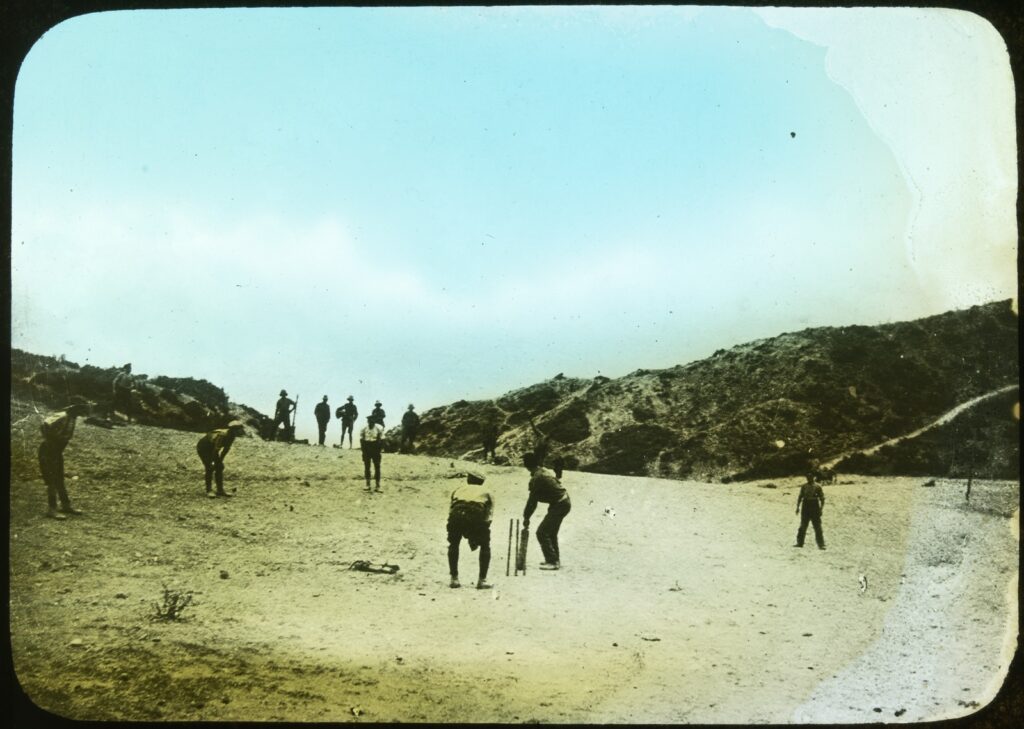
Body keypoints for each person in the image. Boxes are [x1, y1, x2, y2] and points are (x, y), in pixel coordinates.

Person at [38, 398, 92, 519]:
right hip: (48, 451)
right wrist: (50, 439)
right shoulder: (62, 416)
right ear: (75, 408)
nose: (83, 411)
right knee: (51, 480)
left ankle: (66, 505)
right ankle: (51, 509)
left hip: (57, 452)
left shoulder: (72, 419)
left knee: (59, 479)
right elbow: (44, 424)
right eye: (82, 408)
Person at [522, 451, 571, 570]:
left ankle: (553, 561)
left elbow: (532, 501)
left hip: (560, 504)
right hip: (562, 502)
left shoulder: (537, 478)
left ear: (527, 466)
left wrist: (526, 517)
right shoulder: (541, 471)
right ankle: (555, 560)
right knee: (551, 532)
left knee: (542, 532)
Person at [447, 471, 494, 589]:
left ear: (468, 479)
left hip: (457, 514)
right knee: (485, 545)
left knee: (453, 544)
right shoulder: (488, 492)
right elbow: (489, 516)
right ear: (482, 482)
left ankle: (454, 579)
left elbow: (451, 509)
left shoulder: (458, 490)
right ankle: (482, 580)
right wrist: (478, 535)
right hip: (476, 514)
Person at [196, 420, 246, 498]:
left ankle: (220, 490)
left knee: (220, 467)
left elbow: (225, 449)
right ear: (234, 429)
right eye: (239, 429)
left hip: (212, 449)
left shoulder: (232, 436)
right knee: (209, 468)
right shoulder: (223, 435)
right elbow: (216, 449)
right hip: (203, 448)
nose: (241, 431)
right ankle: (209, 490)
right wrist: (212, 462)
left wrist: (220, 461)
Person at [794, 473, 826, 549]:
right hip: (805, 505)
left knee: (817, 526)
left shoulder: (818, 486)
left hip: (814, 505)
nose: (809, 479)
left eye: (811, 477)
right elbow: (800, 496)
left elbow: (822, 498)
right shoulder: (804, 486)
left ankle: (821, 544)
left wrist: (821, 509)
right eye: (808, 477)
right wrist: (798, 507)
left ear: (814, 477)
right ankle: (800, 543)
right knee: (803, 525)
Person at [359, 415, 385, 492]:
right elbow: (362, 440)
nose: (371, 422)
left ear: (374, 421)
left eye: (372, 421)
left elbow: (382, 439)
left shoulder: (378, 428)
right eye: (369, 421)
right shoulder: (364, 429)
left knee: (377, 466)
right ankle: (368, 484)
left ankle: (378, 485)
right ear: (368, 421)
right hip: (367, 448)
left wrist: (380, 449)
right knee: (367, 466)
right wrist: (363, 450)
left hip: (375, 447)